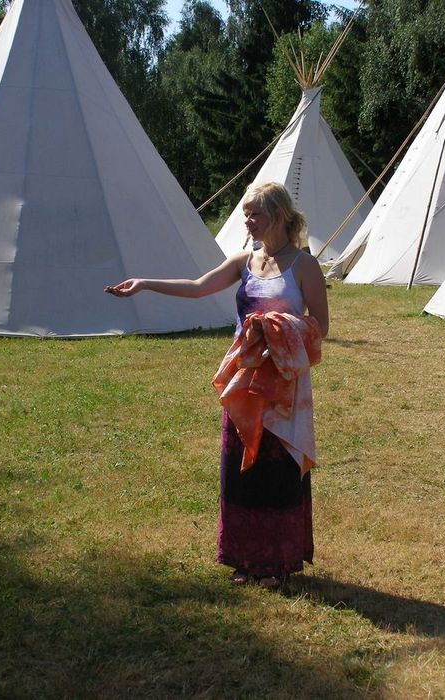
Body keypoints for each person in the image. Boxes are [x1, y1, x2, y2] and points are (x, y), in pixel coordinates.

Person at [105, 182, 329, 589]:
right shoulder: (244, 260)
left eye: (254, 214)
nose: (248, 221)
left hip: (281, 384)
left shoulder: (304, 266)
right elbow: (198, 287)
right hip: (243, 381)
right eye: (246, 214)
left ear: (278, 215)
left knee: (277, 471)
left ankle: (275, 562)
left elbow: (321, 326)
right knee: (241, 470)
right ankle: (244, 557)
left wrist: (278, 328)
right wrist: (145, 283)